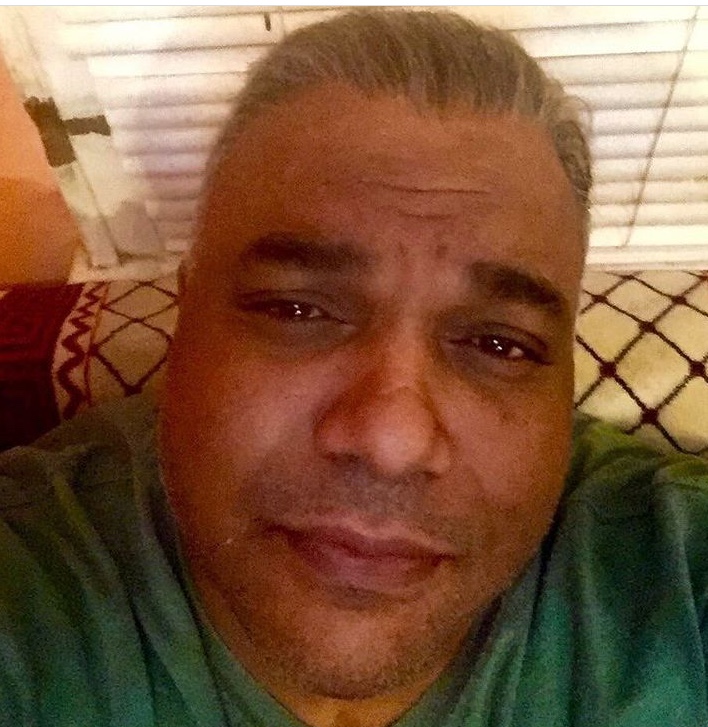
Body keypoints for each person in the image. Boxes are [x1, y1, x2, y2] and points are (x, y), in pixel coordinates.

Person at [1, 9, 707, 727]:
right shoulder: (32, 587)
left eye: (500, 345)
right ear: (185, 319)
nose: (390, 442)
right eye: (296, 310)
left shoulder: (673, 578)